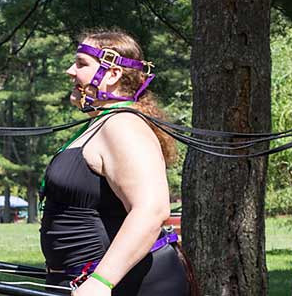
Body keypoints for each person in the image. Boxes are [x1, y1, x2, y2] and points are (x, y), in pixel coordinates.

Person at [40, 29, 192, 295]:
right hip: (87, 280)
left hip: (129, 285)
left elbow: (152, 210)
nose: (70, 71)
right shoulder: (102, 123)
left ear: (112, 74)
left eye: (81, 64)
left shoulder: (122, 125)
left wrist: (101, 281)